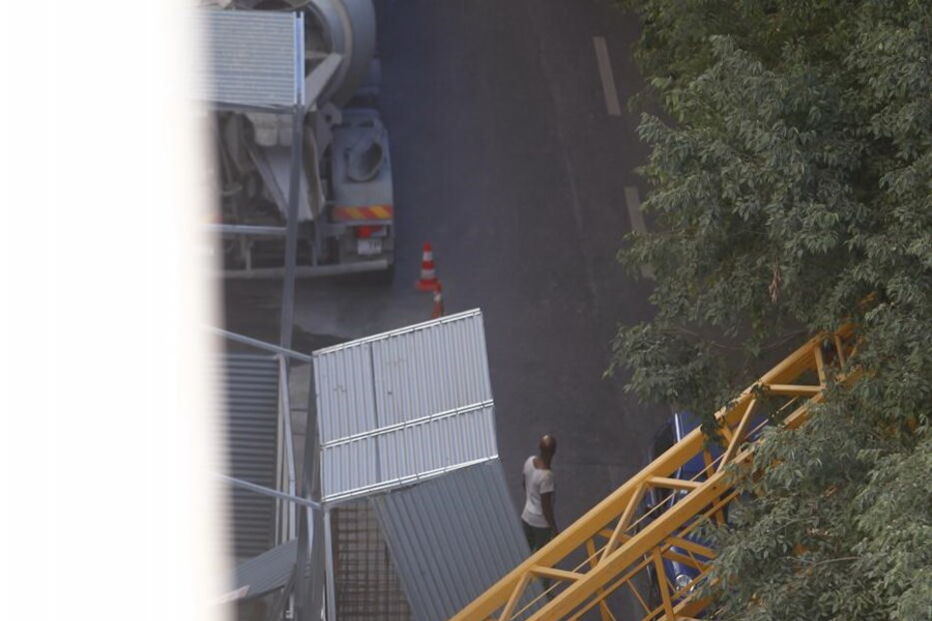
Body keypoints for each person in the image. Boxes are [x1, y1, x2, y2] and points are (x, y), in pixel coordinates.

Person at [521, 434, 558, 552]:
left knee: (528, 551)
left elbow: (524, 483)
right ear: (553, 452)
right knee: (544, 555)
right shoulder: (546, 476)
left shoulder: (529, 461)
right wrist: (554, 528)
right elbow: (545, 506)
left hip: (526, 516)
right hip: (540, 523)